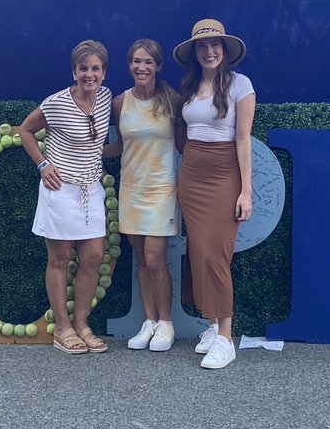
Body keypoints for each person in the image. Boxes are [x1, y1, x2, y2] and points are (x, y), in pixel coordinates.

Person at [20, 40, 114, 355]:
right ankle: (62, 328)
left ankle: (82, 324)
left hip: (91, 189)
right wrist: (43, 164)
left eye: (96, 68)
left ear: (104, 72)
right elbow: (25, 131)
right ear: (74, 71)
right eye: (84, 68)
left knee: (93, 257)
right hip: (59, 191)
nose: (90, 74)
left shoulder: (105, 98)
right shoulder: (56, 103)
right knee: (59, 259)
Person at [173, 19, 255, 370]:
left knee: (216, 256)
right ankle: (210, 326)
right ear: (195, 52)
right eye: (202, 46)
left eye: (215, 45)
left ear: (225, 49)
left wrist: (246, 190)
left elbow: (243, 139)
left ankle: (226, 337)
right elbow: (183, 132)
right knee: (199, 253)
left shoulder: (241, 85)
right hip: (191, 175)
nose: (209, 51)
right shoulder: (189, 86)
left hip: (225, 175)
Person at [104, 39, 184, 352]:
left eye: (149, 62)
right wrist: (86, 151)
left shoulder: (172, 100)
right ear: (129, 65)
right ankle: (149, 322)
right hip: (131, 190)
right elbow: (120, 146)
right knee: (140, 259)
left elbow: (184, 144)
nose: (142, 67)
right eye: (137, 61)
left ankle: (167, 324)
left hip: (162, 190)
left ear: (159, 66)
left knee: (155, 260)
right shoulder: (120, 103)